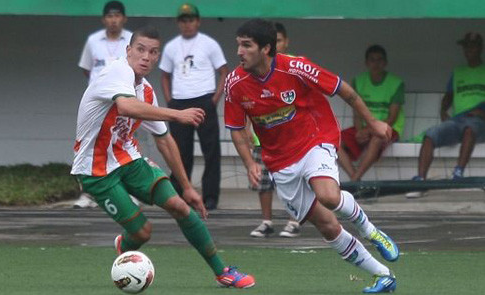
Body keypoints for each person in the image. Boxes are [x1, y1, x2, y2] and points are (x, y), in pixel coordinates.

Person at [71, 26, 255, 289]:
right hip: (95, 169)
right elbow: (125, 105)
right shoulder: (116, 70)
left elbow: (165, 140)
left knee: (181, 206)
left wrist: (188, 187)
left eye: (153, 52)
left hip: (128, 158)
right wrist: (177, 113)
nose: (146, 57)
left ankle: (222, 271)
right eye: (140, 49)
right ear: (128, 50)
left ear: (158, 57)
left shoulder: (145, 90)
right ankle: (126, 246)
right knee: (143, 232)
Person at [225, 19, 399, 293]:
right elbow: (236, 129)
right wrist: (249, 163)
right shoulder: (235, 84)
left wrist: (374, 123)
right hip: (279, 161)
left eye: (246, 45)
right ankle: (383, 275)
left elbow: (345, 90)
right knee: (327, 226)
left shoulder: (296, 66)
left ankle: (371, 232)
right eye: (238, 45)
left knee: (329, 195)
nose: (239, 52)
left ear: (266, 49)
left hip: (315, 138)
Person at [159, 3, 228, 210]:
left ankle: (210, 197)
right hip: (179, 102)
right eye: (183, 20)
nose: (187, 24)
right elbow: (164, 75)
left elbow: (224, 71)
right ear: (178, 23)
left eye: (190, 20)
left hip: (204, 99)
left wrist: (215, 99)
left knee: (211, 150)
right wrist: (170, 100)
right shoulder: (171, 46)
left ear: (197, 21)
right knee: (179, 151)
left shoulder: (209, 44)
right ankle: (179, 193)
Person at [407, 32, 485, 197]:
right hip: (458, 120)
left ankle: (458, 173)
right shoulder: (458, 72)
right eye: (466, 47)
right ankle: (420, 181)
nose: (469, 50)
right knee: (430, 135)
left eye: (472, 46)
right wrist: (443, 111)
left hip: (479, 122)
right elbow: (448, 96)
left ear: (480, 48)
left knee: (470, 129)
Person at [74, 1, 132, 208]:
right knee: (88, 146)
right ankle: (87, 195)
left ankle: (126, 192)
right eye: (109, 16)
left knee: (124, 144)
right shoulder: (93, 41)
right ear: (103, 19)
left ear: (124, 19)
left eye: (117, 16)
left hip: (123, 101)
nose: (113, 20)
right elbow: (87, 70)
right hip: (98, 105)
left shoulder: (131, 40)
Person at [247, 22, 301, 238]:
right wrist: (248, 130)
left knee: (292, 181)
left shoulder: (294, 67)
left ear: (286, 42)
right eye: (272, 41)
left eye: (279, 40)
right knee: (263, 181)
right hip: (263, 136)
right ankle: (266, 220)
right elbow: (248, 101)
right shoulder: (255, 70)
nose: (275, 45)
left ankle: (294, 219)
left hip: (291, 138)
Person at [337, 45, 405, 181]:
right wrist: (360, 130)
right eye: (372, 60)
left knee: (377, 138)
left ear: (385, 63)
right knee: (334, 141)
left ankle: (355, 180)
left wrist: (368, 131)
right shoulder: (359, 81)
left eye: (380, 60)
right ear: (367, 63)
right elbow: (356, 112)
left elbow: (392, 118)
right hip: (364, 127)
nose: (376, 64)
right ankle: (355, 179)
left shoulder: (396, 83)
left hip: (389, 128)